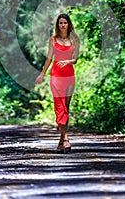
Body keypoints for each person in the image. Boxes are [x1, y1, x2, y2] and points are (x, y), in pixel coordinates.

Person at [35, 13, 80, 153]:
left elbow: (75, 59)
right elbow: (49, 58)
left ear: (69, 24)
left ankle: (61, 142)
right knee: (60, 107)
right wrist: (42, 73)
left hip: (69, 75)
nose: (63, 25)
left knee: (66, 106)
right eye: (60, 23)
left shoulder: (74, 39)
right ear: (57, 25)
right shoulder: (53, 40)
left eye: (65, 23)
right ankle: (66, 138)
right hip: (56, 75)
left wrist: (66, 61)